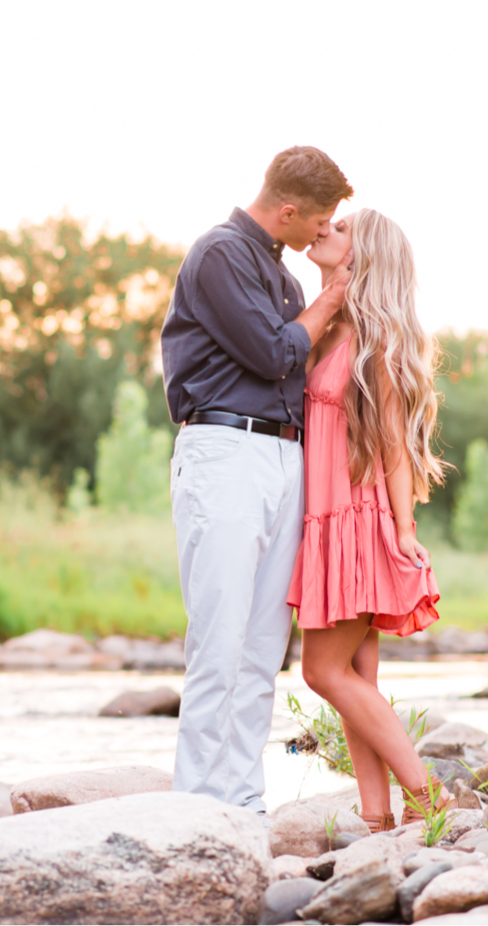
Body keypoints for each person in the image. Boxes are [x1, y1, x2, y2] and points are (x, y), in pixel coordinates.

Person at [160, 146, 353, 818]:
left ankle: (241, 806)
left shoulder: (287, 282)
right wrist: (333, 294)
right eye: (321, 221)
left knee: (263, 644)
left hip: (282, 456)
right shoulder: (218, 255)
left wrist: (327, 294)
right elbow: (275, 352)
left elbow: (305, 364)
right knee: (219, 637)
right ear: (290, 209)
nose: (322, 233)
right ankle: (194, 809)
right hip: (224, 450)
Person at [287, 207, 449, 832]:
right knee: (357, 675)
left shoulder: (375, 344)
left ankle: (427, 792)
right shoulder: (330, 326)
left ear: (365, 257)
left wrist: (404, 530)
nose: (326, 228)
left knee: (321, 671)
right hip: (326, 520)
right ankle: (378, 816)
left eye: (343, 227)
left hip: (356, 520)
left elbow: (395, 446)